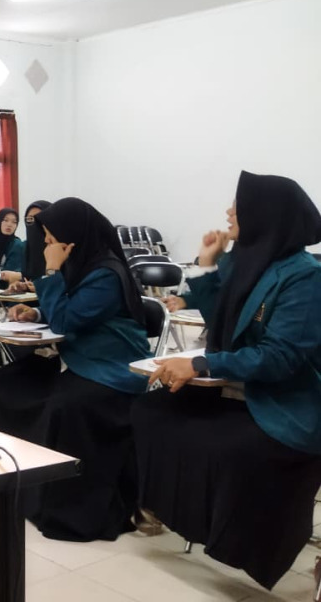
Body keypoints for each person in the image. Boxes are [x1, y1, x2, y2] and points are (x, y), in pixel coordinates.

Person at [131, 171, 321, 590]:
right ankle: (182, 515)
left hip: (283, 404)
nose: (229, 212)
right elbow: (219, 319)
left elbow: (280, 357)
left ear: (266, 215)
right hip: (236, 390)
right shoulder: (245, 260)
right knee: (151, 411)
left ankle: (241, 542)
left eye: (239, 205)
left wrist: (201, 365)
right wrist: (207, 263)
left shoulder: (304, 275)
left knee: (226, 449)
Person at [0, 197, 150, 542]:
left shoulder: (107, 273)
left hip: (109, 371)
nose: (46, 243)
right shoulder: (83, 265)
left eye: (52, 236)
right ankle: (9, 482)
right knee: (0, 384)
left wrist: (52, 273)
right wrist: (36, 313)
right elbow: (70, 310)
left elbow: (68, 320)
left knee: (65, 406)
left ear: (74, 236)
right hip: (78, 362)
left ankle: (60, 507)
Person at [1, 200, 52, 287]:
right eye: (30, 219)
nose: (35, 223)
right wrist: (20, 284)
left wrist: (39, 286)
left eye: (39, 218)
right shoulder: (27, 247)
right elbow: (27, 276)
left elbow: (55, 276)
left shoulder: (58, 247)